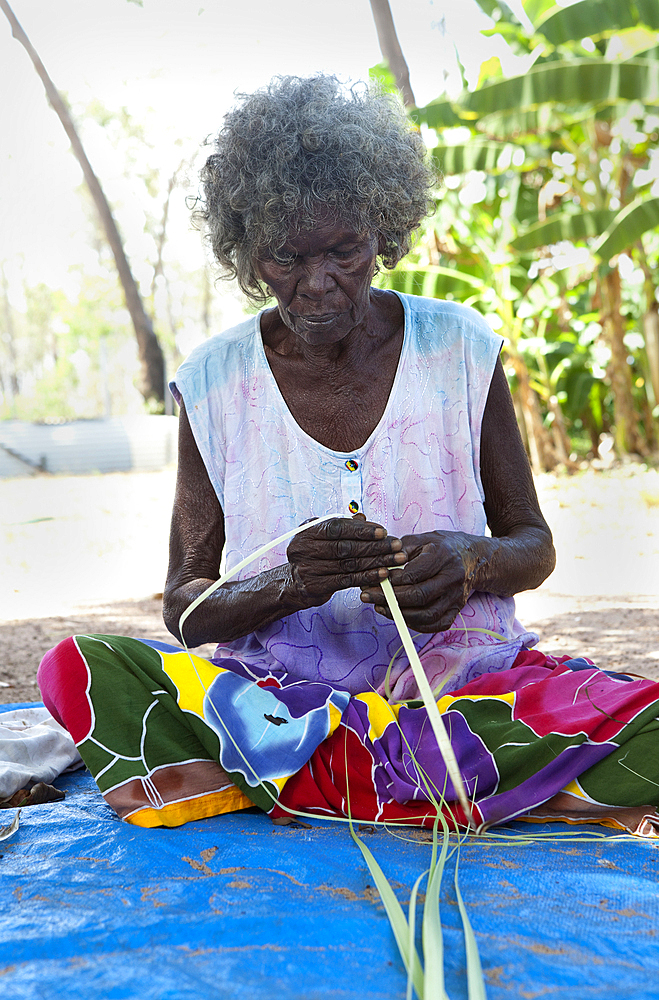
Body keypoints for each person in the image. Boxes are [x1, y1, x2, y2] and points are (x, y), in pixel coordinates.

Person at [38, 76, 659, 837]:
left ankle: (307, 781)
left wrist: (469, 563)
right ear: (246, 253)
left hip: (465, 692)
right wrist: (288, 583)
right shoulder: (212, 382)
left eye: (344, 250)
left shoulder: (461, 349)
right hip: (277, 700)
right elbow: (187, 609)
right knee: (79, 668)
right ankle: (433, 781)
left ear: (385, 234)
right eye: (284, 257)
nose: (318, 283)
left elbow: (533, 545)